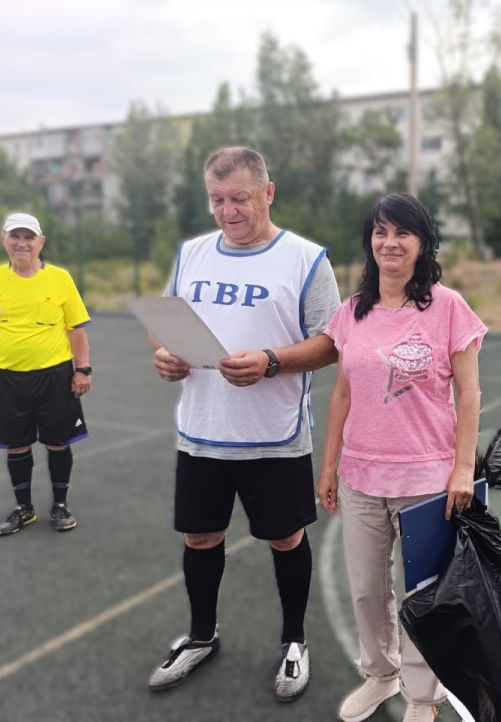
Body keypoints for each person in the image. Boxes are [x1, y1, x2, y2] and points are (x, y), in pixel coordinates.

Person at [147, 147, 340, 702]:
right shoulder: (191, 253)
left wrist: (271, 361)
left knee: (285, 537)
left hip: (273, 435)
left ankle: (295, 641)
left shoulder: (305, 259)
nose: (227, 211)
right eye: (217, 200)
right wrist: (165, 354)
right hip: (202, 430)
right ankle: (201, 637)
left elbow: (331, 343)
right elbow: (163, 323)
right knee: (199, 536)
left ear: (268, 193)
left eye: (239, 199)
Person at [317, 193, 486, 722]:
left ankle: (422, 695)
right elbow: (342, 393)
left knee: (426, 593)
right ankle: (380, 673)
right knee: (367, 591)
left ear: (422, 242)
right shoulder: (352, 311)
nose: (390, 243)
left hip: (426, 479)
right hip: (361, 477)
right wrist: (329, 465)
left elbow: (470, 394)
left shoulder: (448, 307)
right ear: (370, 241)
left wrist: (463, 468)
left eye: (402, 233)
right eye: (380, 232)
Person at [0, 211, 92, 536]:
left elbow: (76, 329)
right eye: (15, 236)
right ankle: (24, 509)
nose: (22, 243)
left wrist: (82, 370)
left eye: (29, 237)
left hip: (55, 376)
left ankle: (60, 505)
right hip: (6, 378)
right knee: (17, 445)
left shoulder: (60, 278)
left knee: (58, 442)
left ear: (41, 242)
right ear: (4, 240)